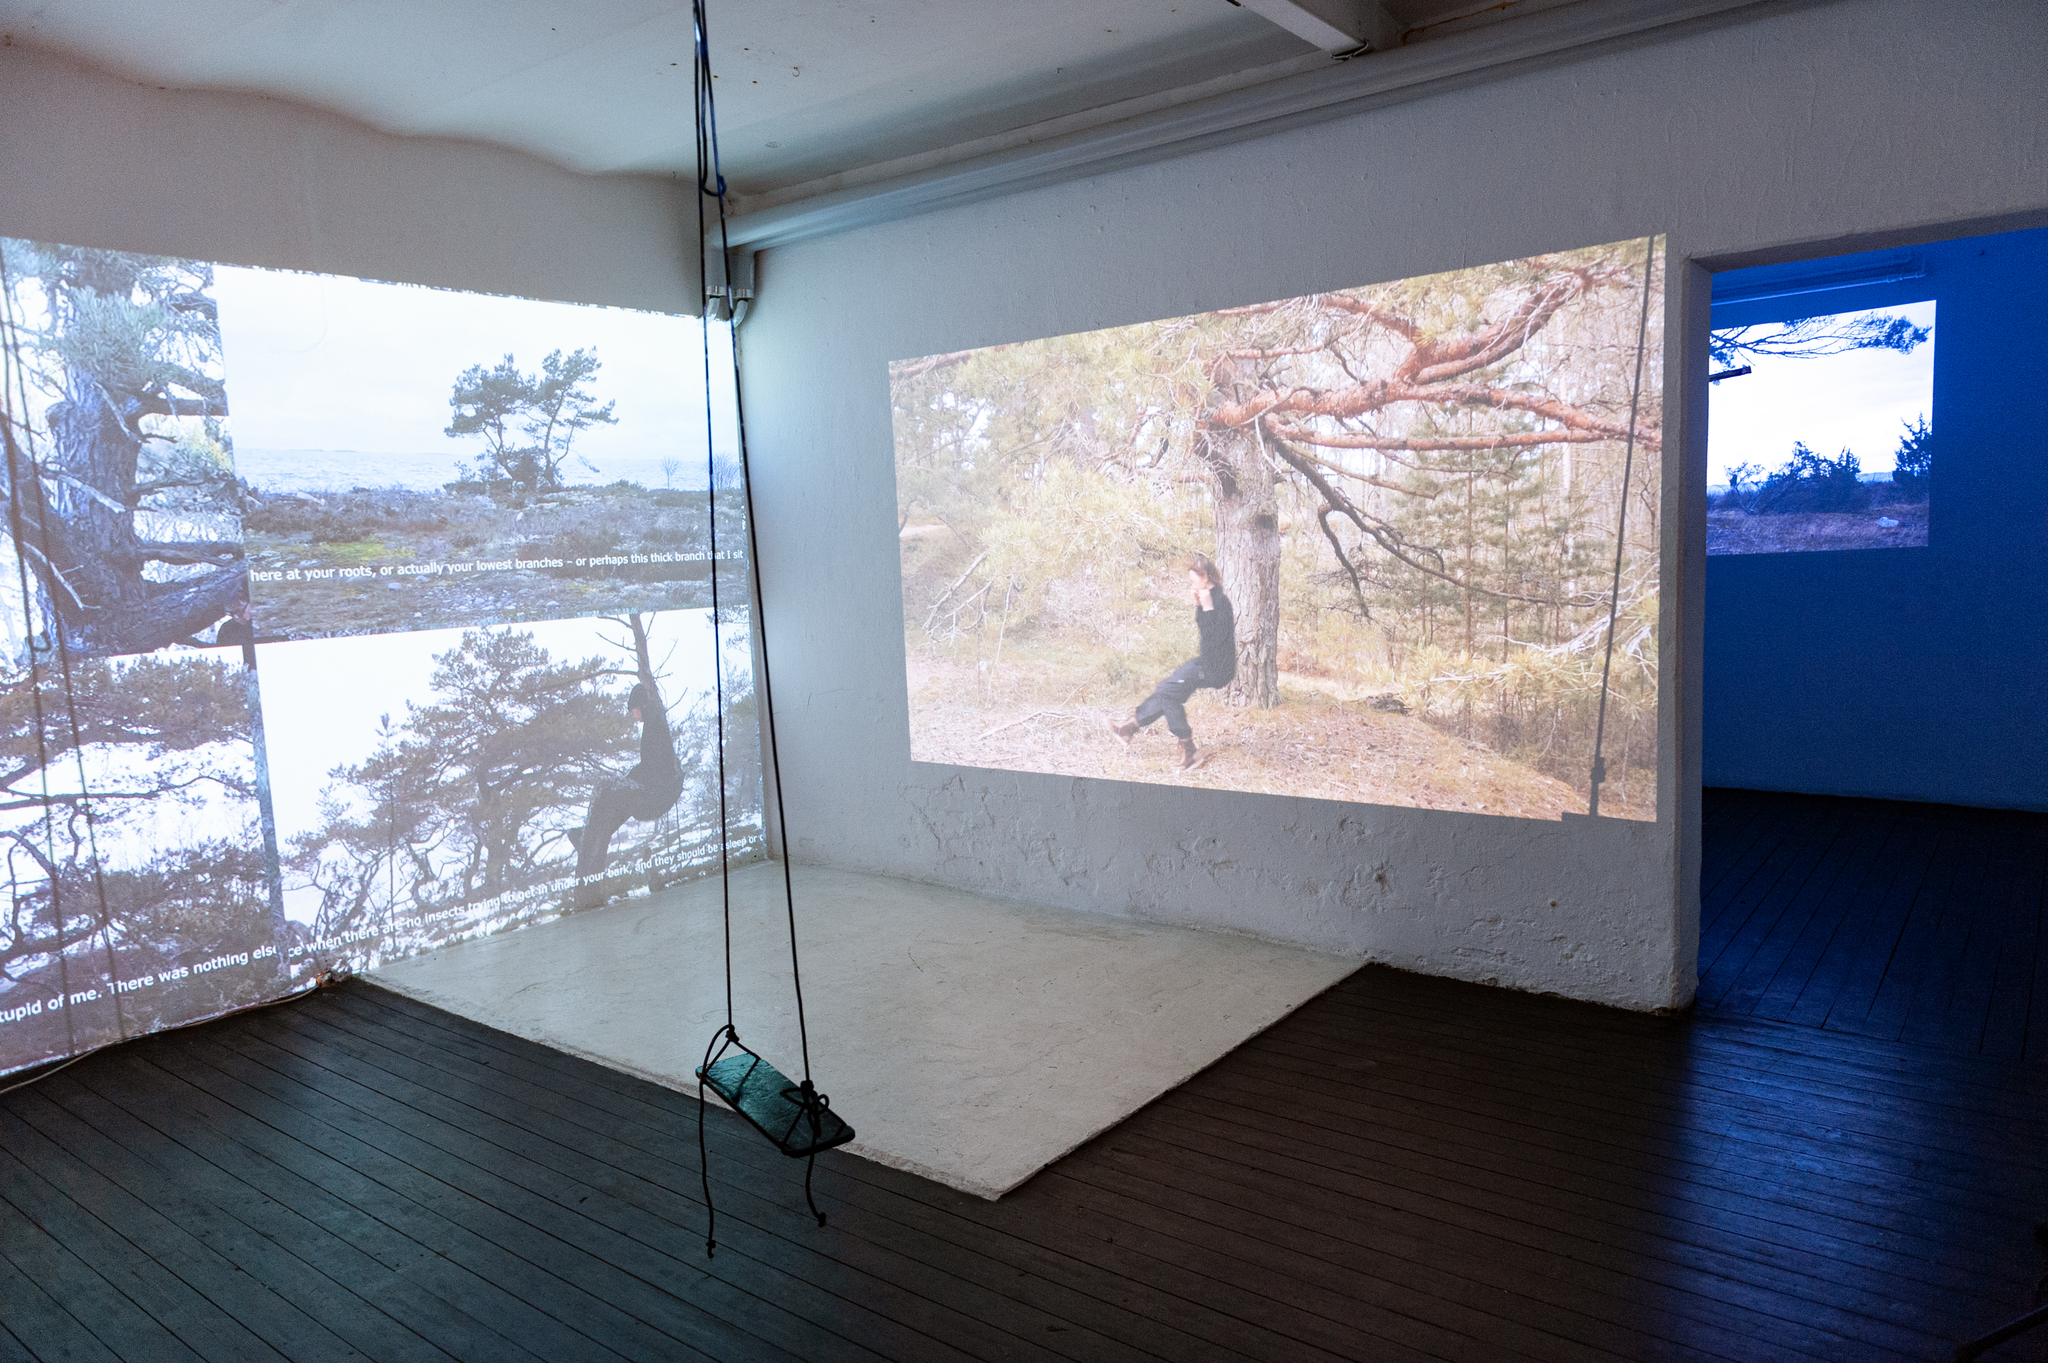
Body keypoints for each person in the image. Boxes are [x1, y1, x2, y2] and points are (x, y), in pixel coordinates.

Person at [1108, 553, 1235, 770]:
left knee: (1168, 692)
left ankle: (1189, 750)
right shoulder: (1210, 598)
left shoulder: (1220, 602)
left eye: (1194, 581)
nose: (1192, 586)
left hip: (1217, 669)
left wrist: (1205, 606)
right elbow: (1205, 631)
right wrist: (1200, 605)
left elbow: (1214, 638)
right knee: (1167, 689)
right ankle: (1129, 728)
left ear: (1205, 578)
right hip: (1207, 663)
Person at [568, 679, 686, 901]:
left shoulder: (654, 723)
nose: (633, 715)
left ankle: (590, 837)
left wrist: (631, 779)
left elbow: (655, 765)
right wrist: (631, 778)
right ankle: (591, 835)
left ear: (639, 706)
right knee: (612, 795)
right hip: (659, 787)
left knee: (607, 791)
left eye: (633, 711)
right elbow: (651, 763)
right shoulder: (654, 721)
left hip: (658, 792)